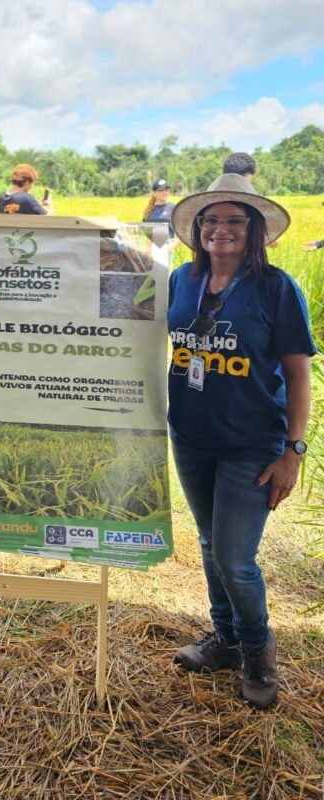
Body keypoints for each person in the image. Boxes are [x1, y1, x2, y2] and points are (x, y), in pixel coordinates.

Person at [167, 173, 315, 709]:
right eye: (210, 220)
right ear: (197, 229)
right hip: (191, 436)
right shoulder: (181, 280)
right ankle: (225, 638)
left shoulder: (276, 288)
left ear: (254, 231)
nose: (220, 229)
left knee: (235, 558)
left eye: (234, 220)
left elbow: (298, 374)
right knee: (210, 545)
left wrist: (292, 451)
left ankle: (257, 650)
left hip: (252, 443)